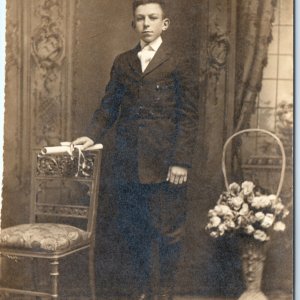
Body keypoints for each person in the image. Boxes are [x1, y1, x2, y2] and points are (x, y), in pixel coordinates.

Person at [72, 1, 199, 299]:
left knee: (168, 233)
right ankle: (142, 292)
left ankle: (164, 293)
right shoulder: (123, 62)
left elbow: (189, 116)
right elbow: (108, 106)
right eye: (140, 18)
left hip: (166, 164)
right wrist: (90, 136)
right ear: (133, 24)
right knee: (135, 232)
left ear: (164, 23)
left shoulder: (178, 61)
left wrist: (180, 161)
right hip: (128, 164)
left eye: (153, 18)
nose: (146, 24)